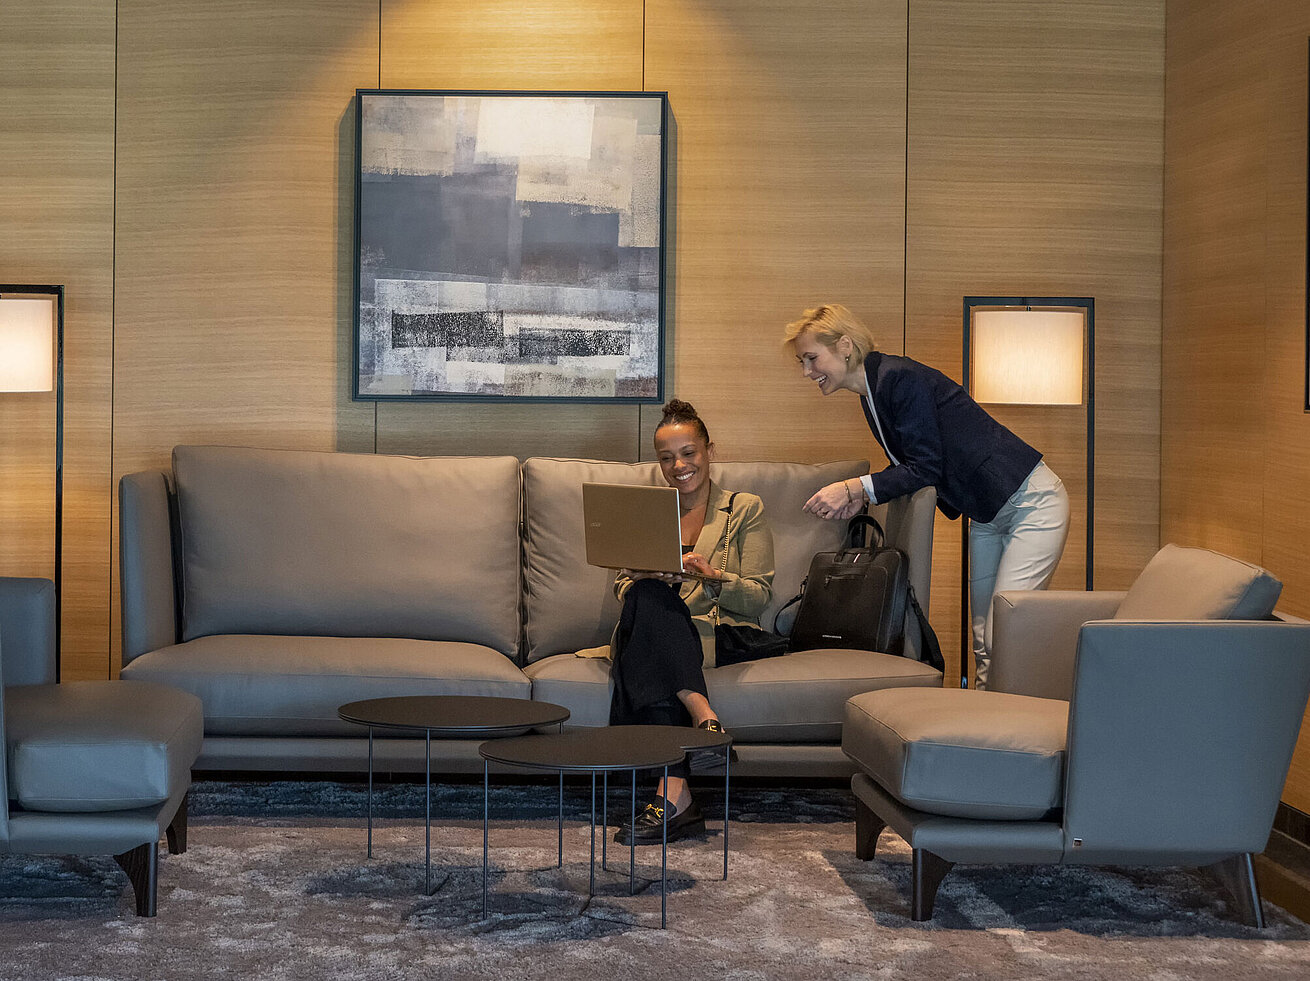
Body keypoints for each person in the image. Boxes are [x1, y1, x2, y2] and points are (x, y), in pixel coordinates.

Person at [782, 303, 1069, 690]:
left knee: (1008, 633)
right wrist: (864, 496)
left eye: (812, 358)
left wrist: (855, 487)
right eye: (803, 362)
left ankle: (1014, 728)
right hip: (987, 515)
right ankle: (986, 726)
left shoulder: (896, 378)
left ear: (845, 345)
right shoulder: (872, 392)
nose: (807, 372)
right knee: (985, 640)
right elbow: (913, 469)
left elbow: (925, 467)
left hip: (1031, 505)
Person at [608, 398, 776, 844]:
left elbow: (759, 597)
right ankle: (703, 718)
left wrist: (713, 575)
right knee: (646, 592)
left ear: (709, 450)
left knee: (651, 651)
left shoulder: (744, 508)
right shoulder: (644, 510)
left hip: (712, 631)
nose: (678, 465)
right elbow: (620, 589)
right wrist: (644, 576)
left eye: (688, 453)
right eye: (666, 458)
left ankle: (673, 801)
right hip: (661, 631)